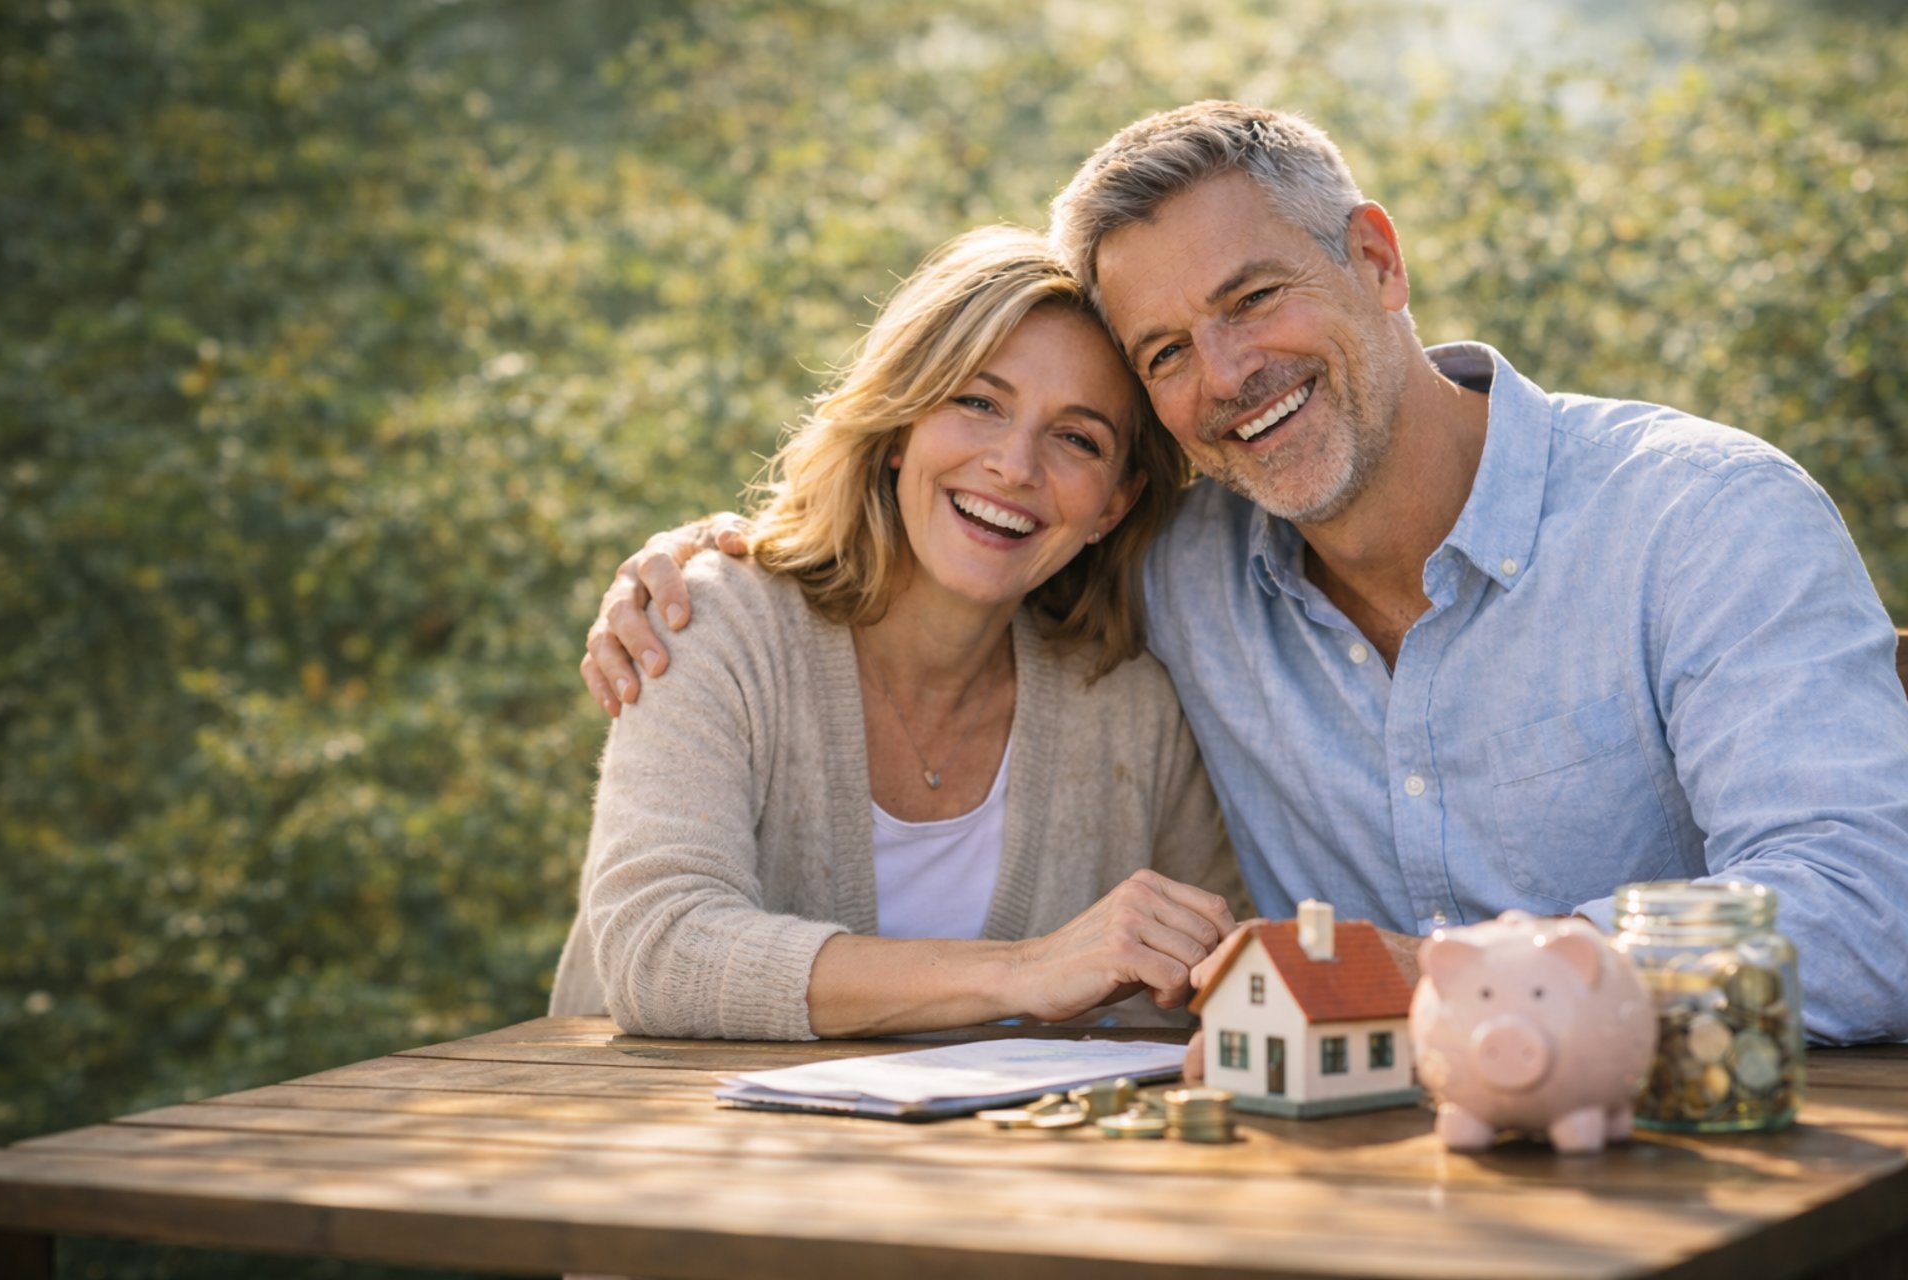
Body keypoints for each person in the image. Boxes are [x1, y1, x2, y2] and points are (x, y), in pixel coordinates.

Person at [584, 104, 1908, 1047]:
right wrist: (708, 558)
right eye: (1164, 353)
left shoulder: (1699, 521)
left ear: (1377, 260)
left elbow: (1862, 924)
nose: (1223, 379)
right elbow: (972, 520)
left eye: (1254, 298)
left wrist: (1447, 974)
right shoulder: (1180, 568)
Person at [552, 226, 1247, 1041]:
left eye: (1077, 438)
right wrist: (1028, 970)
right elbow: (660, 951)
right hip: (654, 1148)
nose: (1015, 465)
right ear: (900, 425)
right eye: (978, 402)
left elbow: (1214, 989)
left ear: (1114, 506)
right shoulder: (710, 624)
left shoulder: (1133, 710)